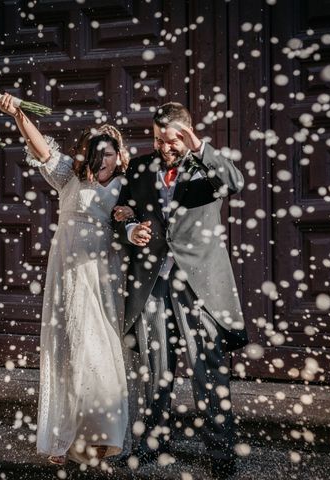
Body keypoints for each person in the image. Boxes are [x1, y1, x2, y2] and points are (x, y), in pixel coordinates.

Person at [0, 94, 135, 466]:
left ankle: (105, 434)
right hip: (69, 274)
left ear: (120, 155)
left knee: (103, 350)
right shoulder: (69, 179)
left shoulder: (128, 187)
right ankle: (64, 433)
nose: (100, 159)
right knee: (70, 348)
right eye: (94, 151)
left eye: (108, 152)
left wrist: (130, 216)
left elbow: (143, 222)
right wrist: (19, 114)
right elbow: (41, 149)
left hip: (104, 275)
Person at [113, 102, 248, 478]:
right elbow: (120, 213)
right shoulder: (140, 168)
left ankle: (220, 453)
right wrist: (129, 231)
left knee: (208, 369)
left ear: (187, 134)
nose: (164, 147)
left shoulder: (205, 167)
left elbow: (234, 183)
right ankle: (153, 443)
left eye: (172, 141)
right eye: (158, 139)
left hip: (198, 285)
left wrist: (199, 148)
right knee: (155, 369)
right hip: (153, 283)